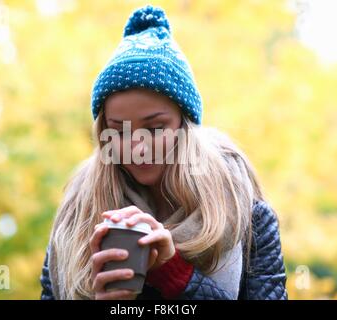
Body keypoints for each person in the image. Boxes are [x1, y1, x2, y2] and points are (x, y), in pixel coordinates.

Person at [40, 5, 287, 300]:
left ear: (185, 125)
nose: (137, 148)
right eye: (119, 130)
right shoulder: (75, 219)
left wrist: (174, 274)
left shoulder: (246, 214)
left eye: (155, 128)